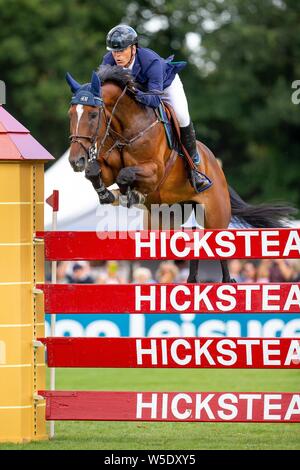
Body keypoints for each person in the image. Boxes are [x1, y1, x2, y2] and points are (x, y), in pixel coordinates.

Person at [100, 24, 212, 193]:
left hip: (164, 88)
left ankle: (193, 168)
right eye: (114, 51)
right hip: (138, 92)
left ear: (133, 48)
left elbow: (154, 99)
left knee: (181, 116)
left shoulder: (151, 62)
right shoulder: (108, 61)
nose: (117, 56)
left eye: (121, 51)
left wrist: (133, 92)